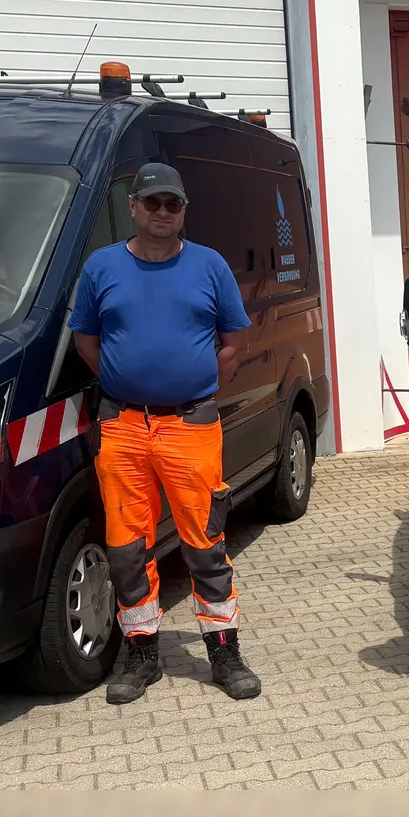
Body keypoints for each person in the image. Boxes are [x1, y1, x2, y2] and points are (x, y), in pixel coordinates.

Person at [68, 162, 261, 705]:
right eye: (151, 202)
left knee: (204, 542)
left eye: (171, 204)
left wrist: (194, 385)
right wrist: (123, 378)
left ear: (183, 211)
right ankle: (142, 652)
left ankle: (223, 649)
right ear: (132, 207)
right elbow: (86, 339)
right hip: (123, 425)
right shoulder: (102, 267)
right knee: (128, 547)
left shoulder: (209, 265)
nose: (161, 212)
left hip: (190, 425)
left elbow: (234, 342)